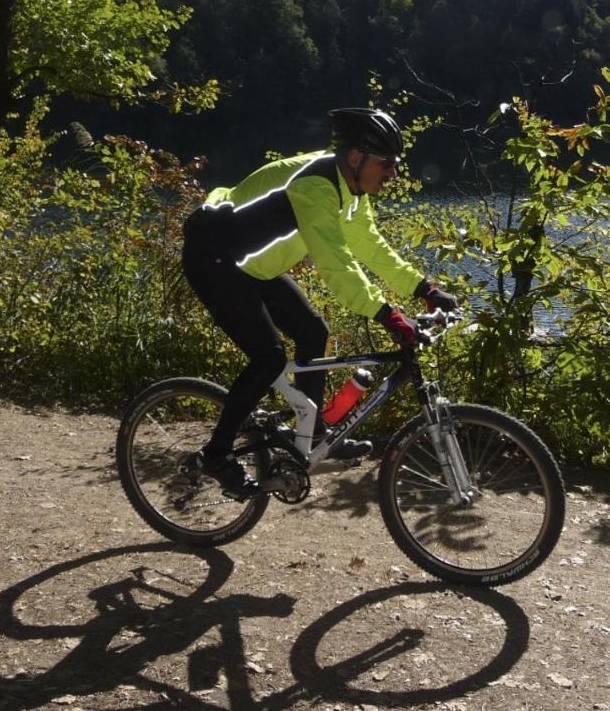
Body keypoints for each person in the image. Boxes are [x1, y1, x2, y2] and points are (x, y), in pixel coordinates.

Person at [181, 108, 457, 498]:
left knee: (313, 331)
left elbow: (369, 246)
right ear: (356, 157)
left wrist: (423, 289)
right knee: (269, 356)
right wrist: (387, 314)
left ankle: (310, 435)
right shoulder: (316, 186)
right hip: (214, 259)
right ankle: (216, 453)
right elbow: (336, 264)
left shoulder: (349, 188)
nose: (392, 172)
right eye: (387, 163)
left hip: (252, 265)